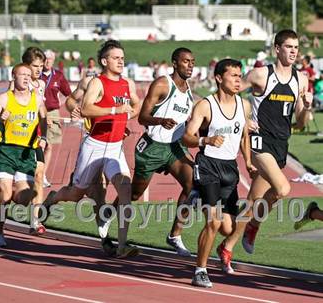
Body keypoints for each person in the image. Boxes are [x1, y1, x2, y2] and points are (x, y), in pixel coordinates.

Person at [217, 30, 313, 272]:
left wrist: (307, 107)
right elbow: (229, 91)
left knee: (252, 203)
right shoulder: (261, 75)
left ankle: (227, 246)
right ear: (277, 49)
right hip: (260, 143)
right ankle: (254, 226)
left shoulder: (301, 80)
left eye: (296, 48)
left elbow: (301, 123)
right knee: (283, 188)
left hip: (281, 145)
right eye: (289, 47)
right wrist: (242, 116)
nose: (293, 51)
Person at [43, 40, 140, 258]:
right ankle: (52, 198)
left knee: (125, 189)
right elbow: (85, 108)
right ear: (105, 61)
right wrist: (115, 110)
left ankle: (122, 244)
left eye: (122, 58)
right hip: (94, 145)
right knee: (76, 194)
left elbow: (136, 105)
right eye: (116, 58)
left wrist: (125, 118)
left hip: (115, 147)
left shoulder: (127, 83)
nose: (121, 61)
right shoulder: (97, 82)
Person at [183, 58, 254, 288]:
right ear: (218, 78)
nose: (238, 80)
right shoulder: (206, 105)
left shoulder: (244, 106)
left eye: (239, 75)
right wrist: (206, 139)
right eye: (233, 75)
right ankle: (200, 270)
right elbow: (187, 136)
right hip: (208, 166)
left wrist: (249, 162)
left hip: (230, 169)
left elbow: (244, 135)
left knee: (228, 228)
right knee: (213, 223)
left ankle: (196, 195)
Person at [131, 47, 195, 256]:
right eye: (186, 61)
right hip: (152, 147)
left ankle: (175, 235)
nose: (190, 65)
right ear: (175, 63)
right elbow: (142, 117)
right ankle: (109, 212)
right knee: (135, 193)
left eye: (192, 62)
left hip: (175, 147)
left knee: (192, 184)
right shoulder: (162, 84)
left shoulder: (189, 91)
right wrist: (161, 121)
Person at [0, 47, 47, 235]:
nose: (37, 70)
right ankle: (2, 232)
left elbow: (44, 115)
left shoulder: (39, 88)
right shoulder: (8, 93)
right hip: (8, 148)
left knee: (32, 187)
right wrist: (1, 118)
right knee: (6, 195)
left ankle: (31, 211)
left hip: (30, 145)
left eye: (40, 66)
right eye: (34, 66)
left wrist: (44, 136)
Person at [41, 50, 72, 188]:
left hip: (53, 112)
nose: (47, 61)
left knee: (49, 145)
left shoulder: (58, 76)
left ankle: (42, 175)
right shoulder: (35, 74)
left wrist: (74, 109)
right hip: (36, 112)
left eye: (50, 59)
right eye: (45, 59)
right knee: (36, 144)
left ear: (53, 60)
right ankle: (32, 173)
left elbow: (69, 94)